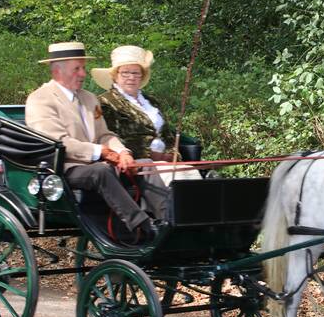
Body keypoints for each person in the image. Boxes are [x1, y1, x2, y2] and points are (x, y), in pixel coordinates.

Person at [24, 42, 167, 239]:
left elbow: (104, 135)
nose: (83, 74)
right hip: (63, 169)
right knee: (101, 171)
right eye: (77, 69)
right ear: (58, 71)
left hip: (98, 165)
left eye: (83, 68)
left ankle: (169, 220)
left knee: (144, 164)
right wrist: (101, 152)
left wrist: (123, 153)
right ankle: (142, 226)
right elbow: (57, 141)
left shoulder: (89, 98)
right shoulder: (40, 99)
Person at [95, 45, 201, 185]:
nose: (131, 77)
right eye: (125, 73)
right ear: (115, 75)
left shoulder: (151, 102)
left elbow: (167, 135)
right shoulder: (106, 102)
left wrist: (173, 155)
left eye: (136, 73)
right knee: (176, 180)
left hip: (167, 162)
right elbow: (110, 138)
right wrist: (153, 155)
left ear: (142, 76)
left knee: (194, 175)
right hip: (137, 163)